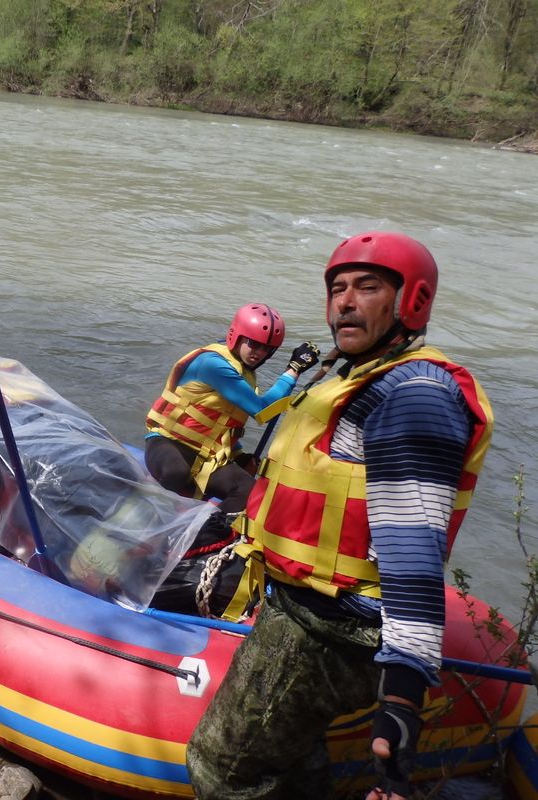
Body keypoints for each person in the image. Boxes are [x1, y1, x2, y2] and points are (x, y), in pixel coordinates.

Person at [186, 232, 494, 800]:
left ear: (412, 302)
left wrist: (403, 692)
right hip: (302, 602)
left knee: (221, 768)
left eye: (367, 288)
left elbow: (413, 544)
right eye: (337, 289)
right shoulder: (356, 379)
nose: (344, 302)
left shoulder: (414, 394)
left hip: (335, 627)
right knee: (292, 758)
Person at [144, 303, 321, 513]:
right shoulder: (212, 364)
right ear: (236, 336)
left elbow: (224, 423)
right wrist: (293, 371)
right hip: (168, 443)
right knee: (176, 473)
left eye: (267, 349)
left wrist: (238, 456)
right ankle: (148, 511)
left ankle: (203, 537)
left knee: (249, 491)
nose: (259, 353)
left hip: (208, 456)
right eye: (254, 344)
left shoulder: (244, 373)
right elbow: (262, 410)